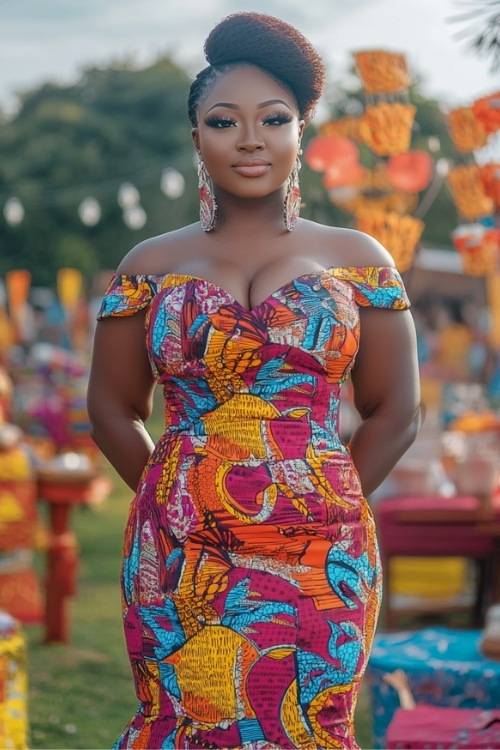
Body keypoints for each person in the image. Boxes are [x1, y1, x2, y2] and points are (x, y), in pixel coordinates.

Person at [87, 12, 420, 750]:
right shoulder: (149, 262)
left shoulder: (358, 257)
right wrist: (173, 501)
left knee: (310, 723)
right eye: (222, 120)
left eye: (274, 118)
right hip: (182, 553)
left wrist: (328, 505)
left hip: (322, 554)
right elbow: (110, 409)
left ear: (300, 132)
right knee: (185, 718)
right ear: (196, 136)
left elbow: (396, 409)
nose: (249, 138)